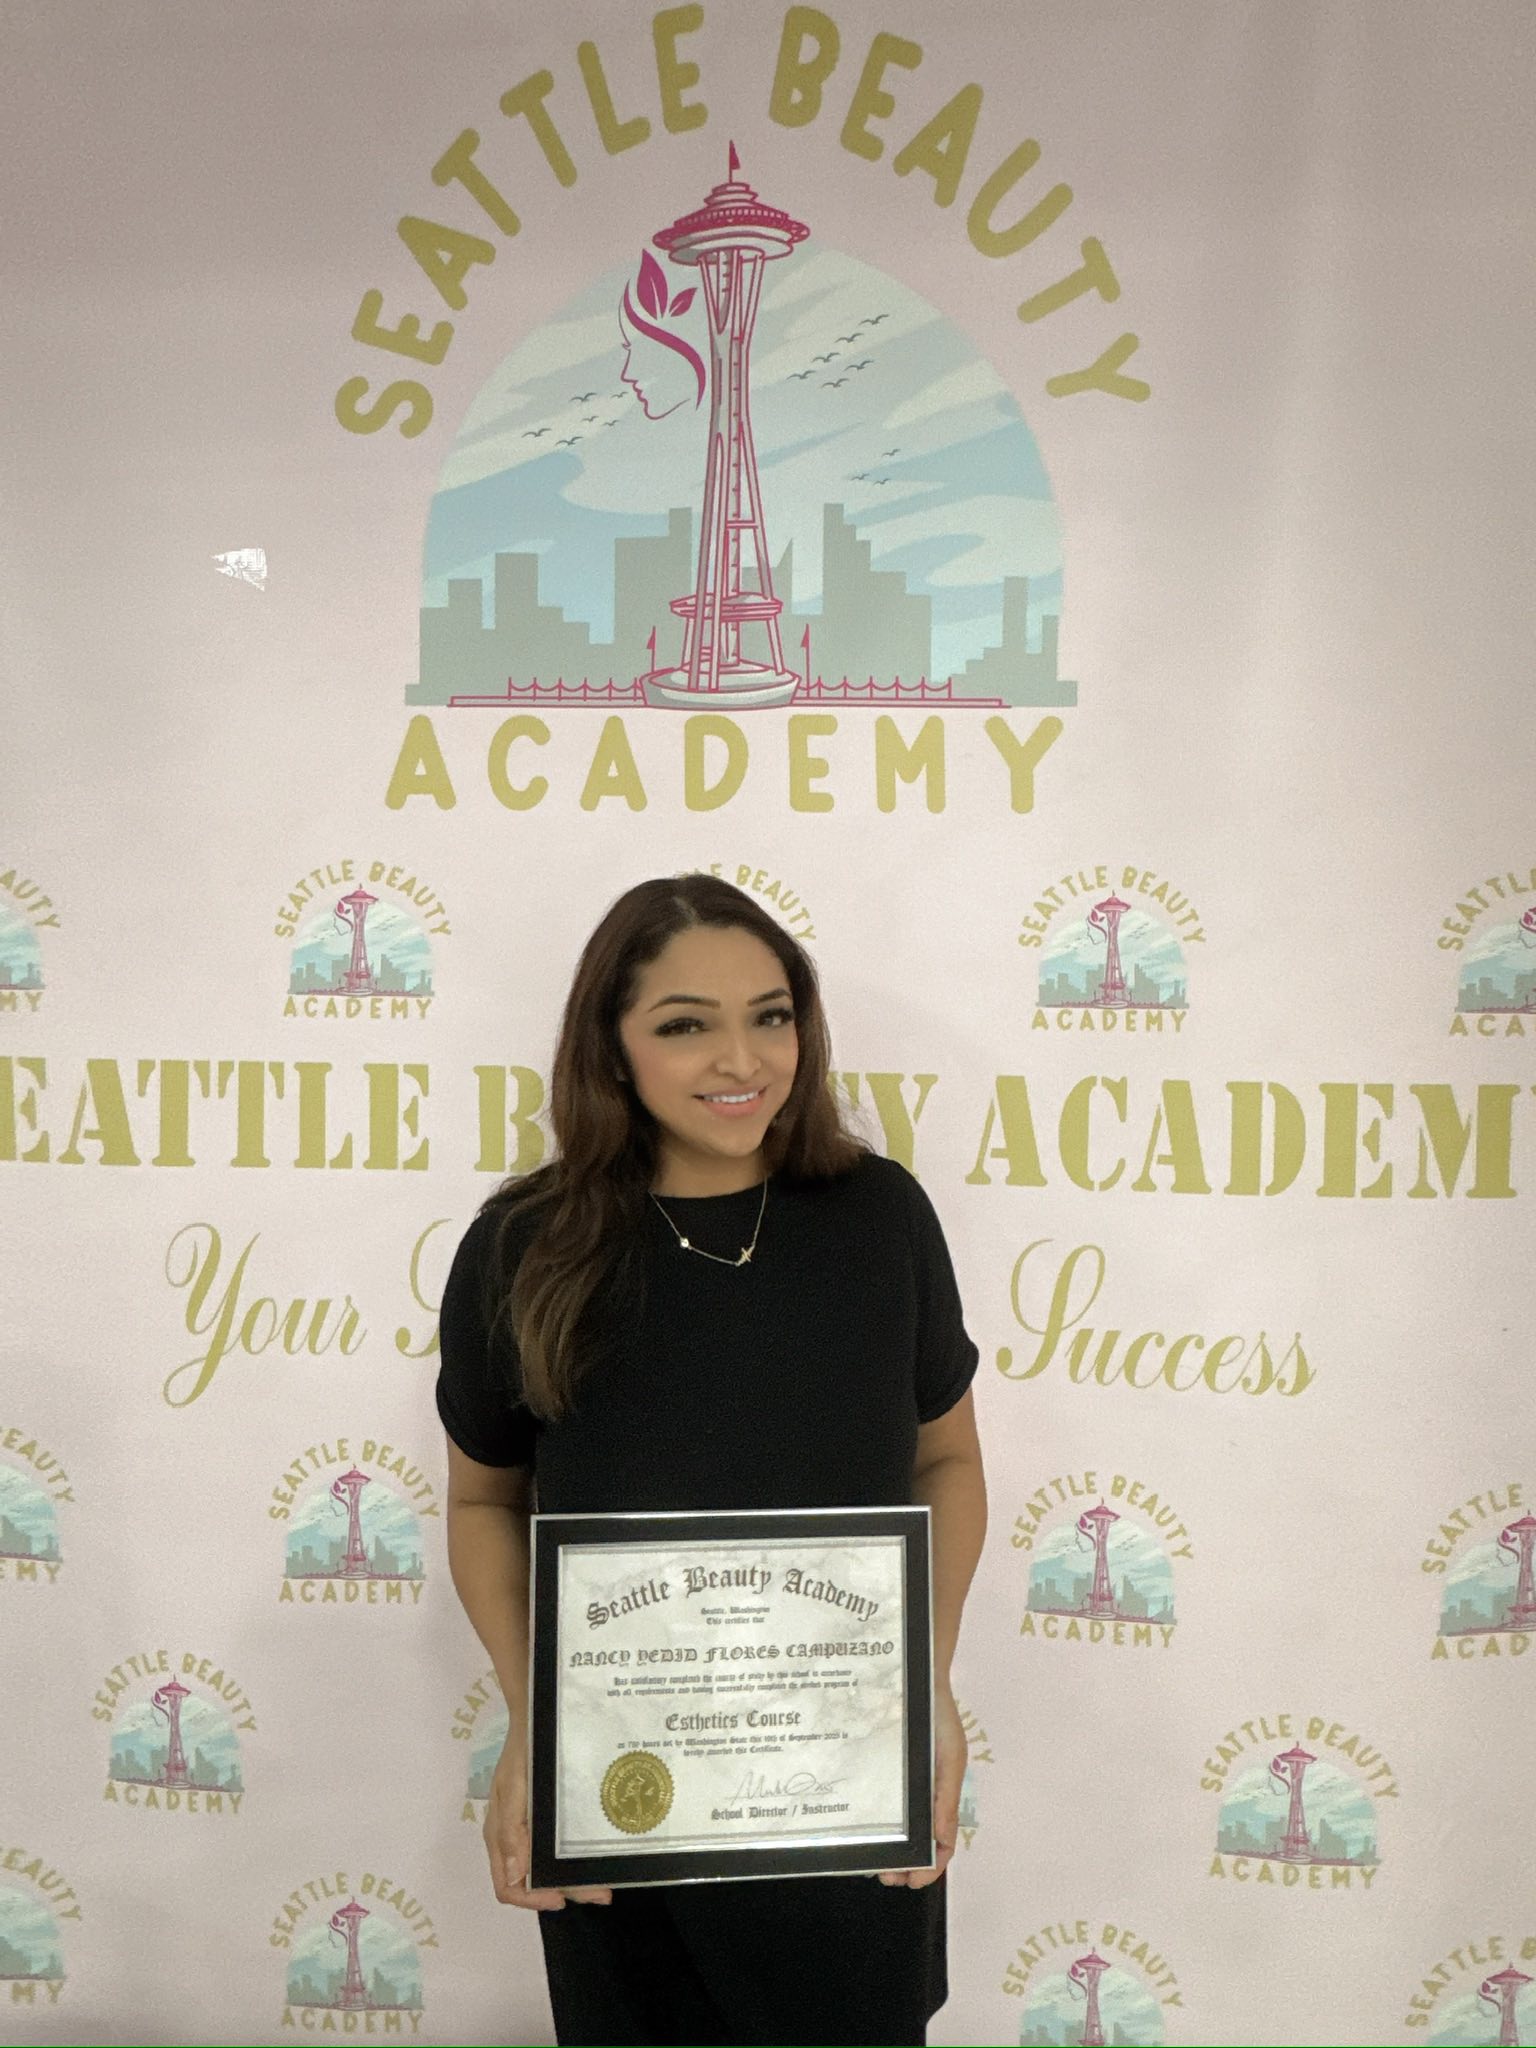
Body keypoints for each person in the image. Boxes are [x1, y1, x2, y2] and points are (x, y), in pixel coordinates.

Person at [436, 875, 987, 2047]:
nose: (742, 1055)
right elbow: (485, 1496)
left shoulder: (880, 1217)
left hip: (845, 1786)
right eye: (685, 1021)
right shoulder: (522, 1243)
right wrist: (535, 1720)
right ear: (613, 1045)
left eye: (772, 1013)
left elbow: (947, 1461)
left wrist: (921, 1683)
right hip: (626, 1801)